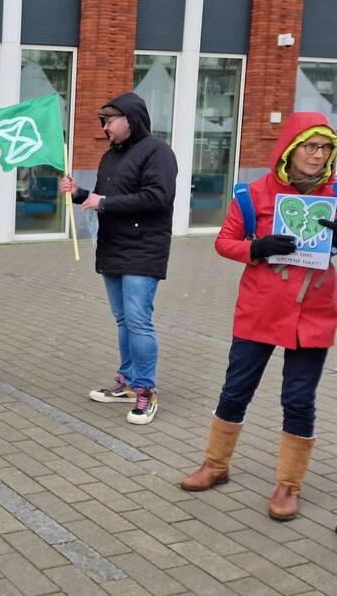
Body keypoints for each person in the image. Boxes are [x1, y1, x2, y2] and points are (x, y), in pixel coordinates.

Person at [180, 112, 337, 521]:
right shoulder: (253, 195)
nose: (318, 156)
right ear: (290, 148)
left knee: (299, 400)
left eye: (326, 148)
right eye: (311, 146)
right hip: (260, 310)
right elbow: (224, 242)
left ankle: (289, 485)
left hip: (315, 314)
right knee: (236, 389)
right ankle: (215, 464)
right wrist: (257, 248)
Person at [59, 92, 177, 425]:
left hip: (144, 249)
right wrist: (79, 194)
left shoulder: (158, 152)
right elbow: (103, 198)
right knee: (123, 320)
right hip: (112, 247)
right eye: (102, 122)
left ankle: (146, 390)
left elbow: (158, 197)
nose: (104, 128)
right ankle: (126, 382)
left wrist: (104, 202)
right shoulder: (110, 156)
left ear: (129, 119)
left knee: (138, 321)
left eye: (109, 121)